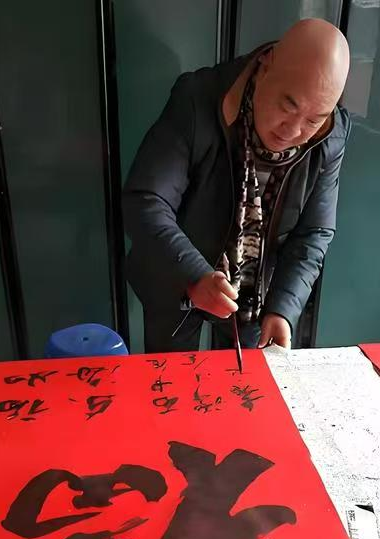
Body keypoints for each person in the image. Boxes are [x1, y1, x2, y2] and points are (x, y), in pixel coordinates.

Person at [123, 18, 351, 353]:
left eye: (314, 120)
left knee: (242, 379)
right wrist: (195, 275)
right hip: (177, 273)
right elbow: (147, 199)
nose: (293, 131)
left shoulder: (330, 135)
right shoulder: (198, 98)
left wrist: (283, 309)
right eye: (288, 105)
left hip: (254, 291)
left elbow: (313, 232)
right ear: (266, 66)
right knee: (172, 374)